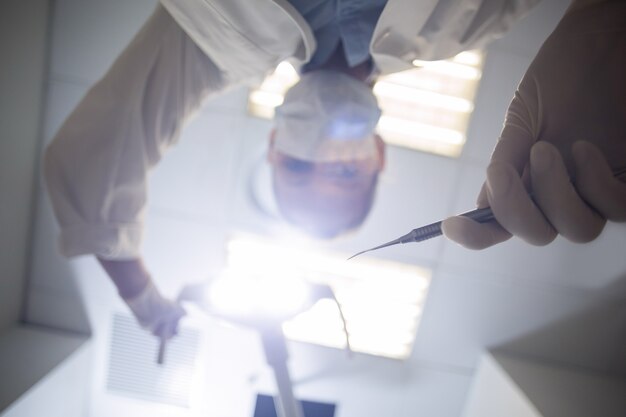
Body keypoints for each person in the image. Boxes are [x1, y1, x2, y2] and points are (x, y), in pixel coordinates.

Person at [44, 0, 625, 339]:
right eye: (344, 175)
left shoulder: (216, 35)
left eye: (298, 167)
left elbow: (88, 161)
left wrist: (147, 303)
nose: (323, 156)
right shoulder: (459, 22)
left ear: (273, 145)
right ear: (377, 156)